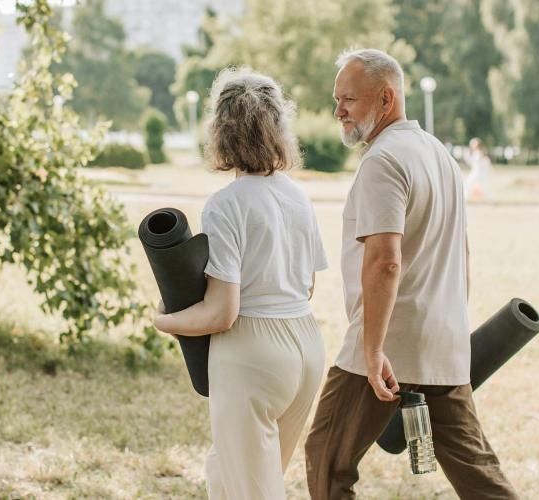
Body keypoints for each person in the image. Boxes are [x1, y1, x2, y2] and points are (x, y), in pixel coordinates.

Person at [304, 48, 518, 500]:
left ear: (386, 99)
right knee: (478, 474)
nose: (338, 111)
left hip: (388, 345)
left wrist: (373, 348)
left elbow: (385, 259)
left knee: (327, 457)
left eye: (350, 100)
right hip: (443, 342)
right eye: (337, 99)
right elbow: (461, 254)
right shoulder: (439, 154)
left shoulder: (382, 160)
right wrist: (455, 329)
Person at [154, 68, 328, 499]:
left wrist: (163, 320)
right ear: (278, 129)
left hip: (253, 353)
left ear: (220, 131)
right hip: (306, 349)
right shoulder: (297, 195)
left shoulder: (225, 205)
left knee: (249, 490)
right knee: (237, 477)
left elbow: (222, 311)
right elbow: (307, 285)